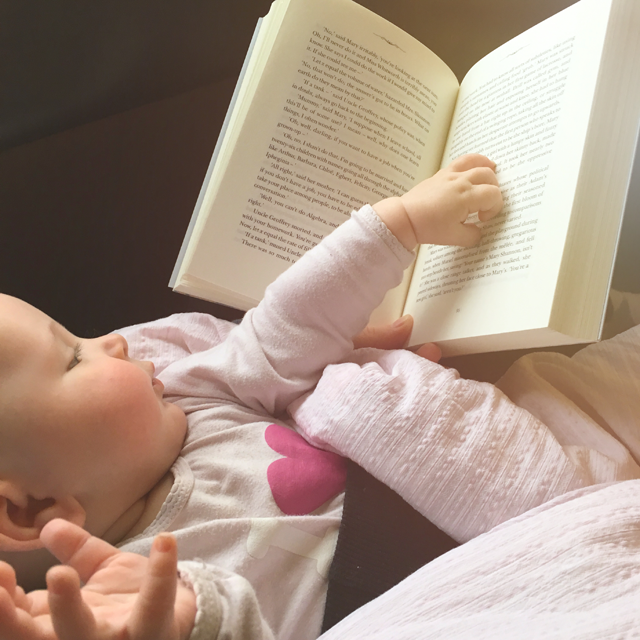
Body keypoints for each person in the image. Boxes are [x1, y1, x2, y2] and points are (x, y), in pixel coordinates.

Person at [0, 153, 638, 640]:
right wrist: (190, 621)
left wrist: (398, 225)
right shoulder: (125, 596)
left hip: (503, 465)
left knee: (588, 381)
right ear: (32, 510)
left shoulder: (192, 393)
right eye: (73, 354)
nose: (113, 342)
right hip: (474, 590)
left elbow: (286, 326)